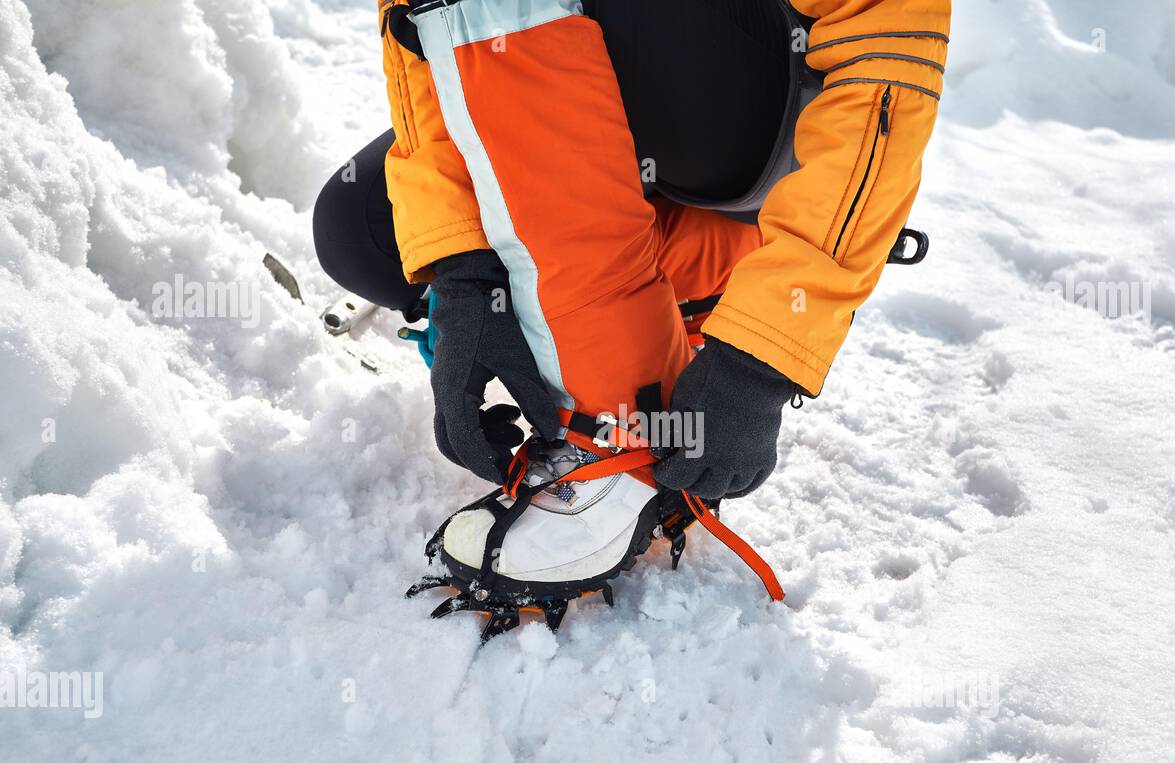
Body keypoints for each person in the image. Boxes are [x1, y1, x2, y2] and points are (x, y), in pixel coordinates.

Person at [314, 0, 951, 636]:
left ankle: (623, 424)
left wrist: (763, 356)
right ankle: (681, 298)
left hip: (763, 110)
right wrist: (465, 273)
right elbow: (426, 33)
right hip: (601, 94)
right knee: (364, 227)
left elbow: (887, 58)